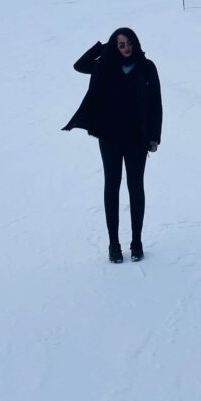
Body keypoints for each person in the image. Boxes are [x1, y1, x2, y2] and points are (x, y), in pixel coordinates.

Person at [63, 27, 162, 264]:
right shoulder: (105, 65)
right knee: (112, 187)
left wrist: (154, 137)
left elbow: (156, 103)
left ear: (135, 43)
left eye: (128, 43)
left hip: (137, 138)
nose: (125, 48)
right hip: (110, 137)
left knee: (136, 187)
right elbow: (79, 65)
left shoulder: (147, 67)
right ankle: (113, 244)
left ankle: (136, 242)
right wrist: (102, 48)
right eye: (120, 45)